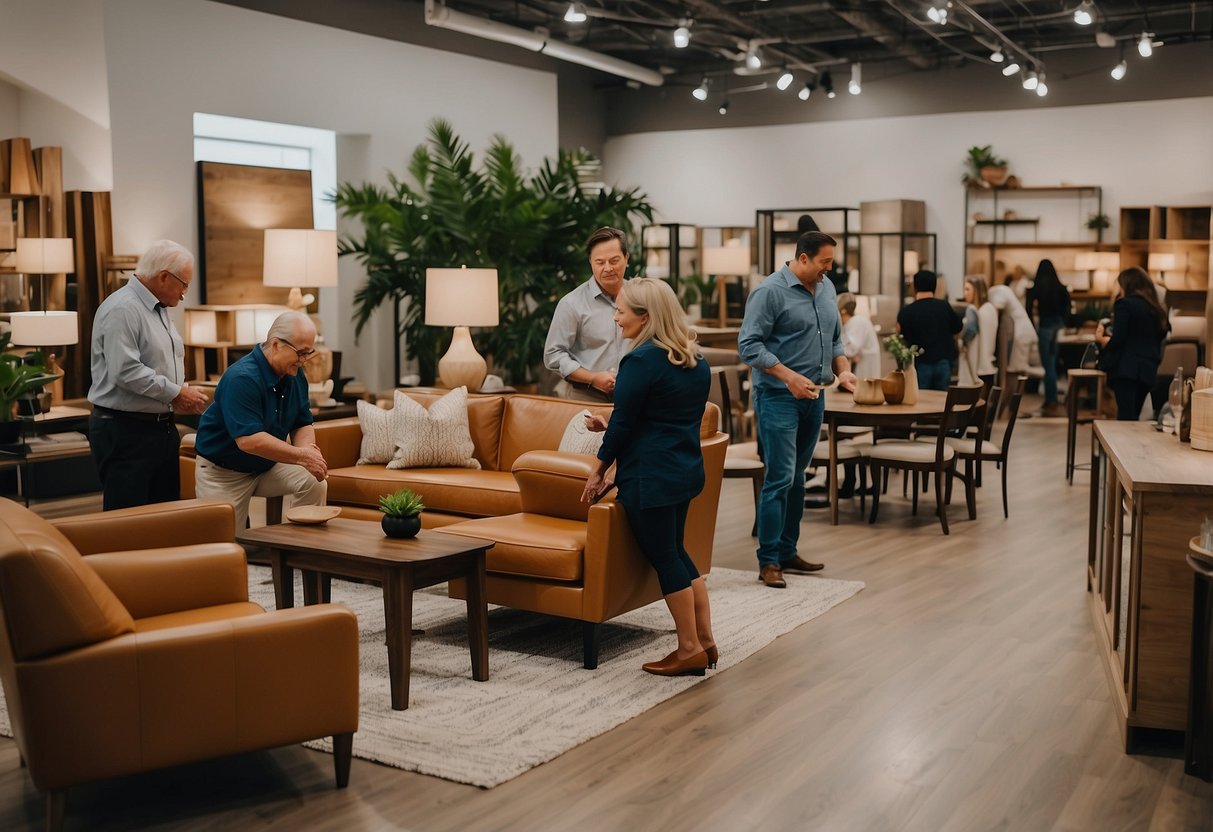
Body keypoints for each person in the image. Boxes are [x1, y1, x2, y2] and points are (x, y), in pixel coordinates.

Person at [580, 278, 716, 677]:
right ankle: (705, 641)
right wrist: (614, 422)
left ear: (645, 317)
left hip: (651, 477)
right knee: (678, 551)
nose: (616, 317)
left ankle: (688, 647)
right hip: (684, 470)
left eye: (622, 310)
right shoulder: (695, 359)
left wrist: (599, 469)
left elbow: (625, 423)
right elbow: (665, 418)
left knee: (665, 558)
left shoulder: (639, 362)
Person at [738, 231, 857, 589]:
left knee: (799, 478)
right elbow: (748, 346)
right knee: (779, 477)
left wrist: (844, 370)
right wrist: (788, 376)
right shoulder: (768, 292)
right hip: (777, 397)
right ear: (803, 258)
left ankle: (788, 550)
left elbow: (834, 340)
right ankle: (769, 560)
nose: (829, 268)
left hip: (815, 397)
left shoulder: (826, 290)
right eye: (825, 262)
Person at [88, 239, 210, 510]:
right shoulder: (123, 309)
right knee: (128, 520)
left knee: (162, 517)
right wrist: (176, 392)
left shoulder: (160, 308)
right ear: (164, 277)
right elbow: (126, 370)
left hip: (159, 427)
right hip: (125, 430)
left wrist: (180, 391)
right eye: (184, 285)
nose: (184, 293)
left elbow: (161, 362)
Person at [193, 311, 328, 531]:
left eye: (308, 353)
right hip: (223, 473)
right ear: (276, 345)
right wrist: (301, 456)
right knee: (225, 551)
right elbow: (249, 441)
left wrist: (308, 454)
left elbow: (302, 422)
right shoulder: (242, 378)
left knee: (313, 480)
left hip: (266, 466)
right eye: (300, 353)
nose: (304, 361)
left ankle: (303, 554)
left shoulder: (294, 375)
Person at [543, 226, 631, 403]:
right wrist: (592, 377)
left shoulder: (641, 297)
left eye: (614, 261)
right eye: (600, 262)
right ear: (590, 261)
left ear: (626, 258)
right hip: (587, 397)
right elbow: (553, 355)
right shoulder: (571, 303)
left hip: (635, 397)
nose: (607, 268)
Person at [1095, 267, 1169, 421]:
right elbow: (1160, 335)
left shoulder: (1125, 304)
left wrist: (1102, 341)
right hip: (1148, 369)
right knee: (1133, 417)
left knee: (1125, 418)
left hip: (1127, 369)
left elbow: (1119, 339)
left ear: (1127, 285)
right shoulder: (1156, 308)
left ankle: (1120, 446)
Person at [896, 269, 962, 391]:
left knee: (922, 404)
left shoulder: (907, 312)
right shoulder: (944, 307)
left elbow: (903, 341)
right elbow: (958, 327)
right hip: (943, 361)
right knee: (942, 402)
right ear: (935, 286)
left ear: (915, 287)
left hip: (920, 364)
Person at [1026, 259, 1071, 416]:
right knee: (1054, 362)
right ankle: (1051, 398)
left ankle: (1051, 399)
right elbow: (1068, 308)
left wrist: (1033, 325)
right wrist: (1063, 323)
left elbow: (1028, 309)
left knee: (1048, 365)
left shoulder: (1036, 288)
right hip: (1059, 327)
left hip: (1045, 327)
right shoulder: (1061, 288)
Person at [988, 283, 1039, 374]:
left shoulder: (995, 292)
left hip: (1022, 333)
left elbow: (997, 307)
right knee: (1018, 368)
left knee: (1018, 369)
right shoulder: (1003, 289)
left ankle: (1044, 374)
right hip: (1025, 330)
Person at [958, 276, 998, 389]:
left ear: (977, 290)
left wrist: (963, 342)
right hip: (988, 365)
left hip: (978, 368)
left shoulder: (973, 310)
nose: (964, 293)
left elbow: (971, 329)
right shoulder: (990, 309)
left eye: (967, 289)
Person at [837, 292, 880, 377]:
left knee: (864, 387)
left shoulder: (857, 322)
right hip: (861, 363)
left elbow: (851, 349)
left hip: (865, 364)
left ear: (843, 311)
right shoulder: (851, 323)